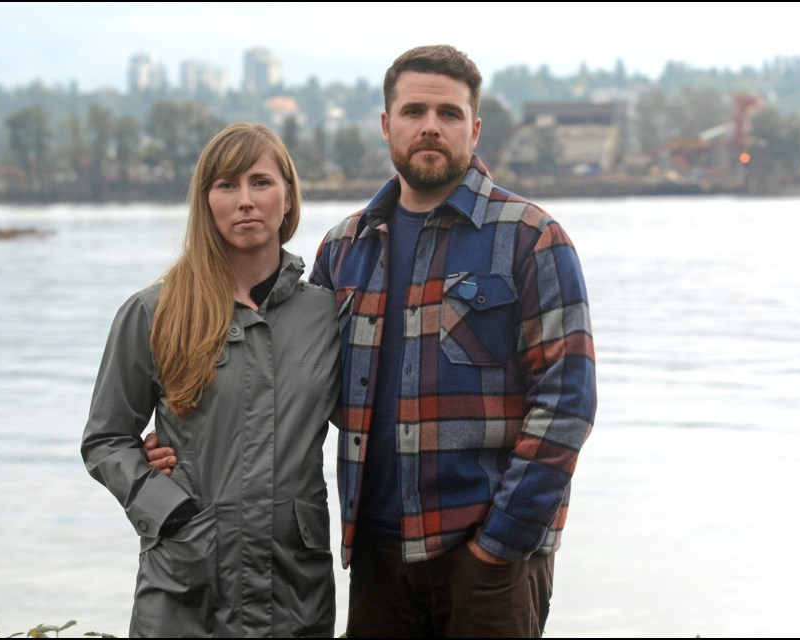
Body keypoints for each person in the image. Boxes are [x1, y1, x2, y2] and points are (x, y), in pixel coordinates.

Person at [149, 44, 596, 638]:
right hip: (379, 556)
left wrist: (501, 541)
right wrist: (188, 434)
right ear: (387, 125)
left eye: (449, 114)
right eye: (413, 112)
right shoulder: (343, 249)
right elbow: (292, 385)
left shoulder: (531, 239)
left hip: (488, 557)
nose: (430, 127)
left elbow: (567, 403)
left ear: (474, 128)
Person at [81, 122, 340, 638]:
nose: (246, 200)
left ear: (287, 197)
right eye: (227, 186)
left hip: (294, 584)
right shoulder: (154, 311)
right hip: (185, 583)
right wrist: (169, 510)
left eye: (261, 182)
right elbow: (107, 440)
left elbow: (366, 421)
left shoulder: (326, 314)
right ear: (206, 203)